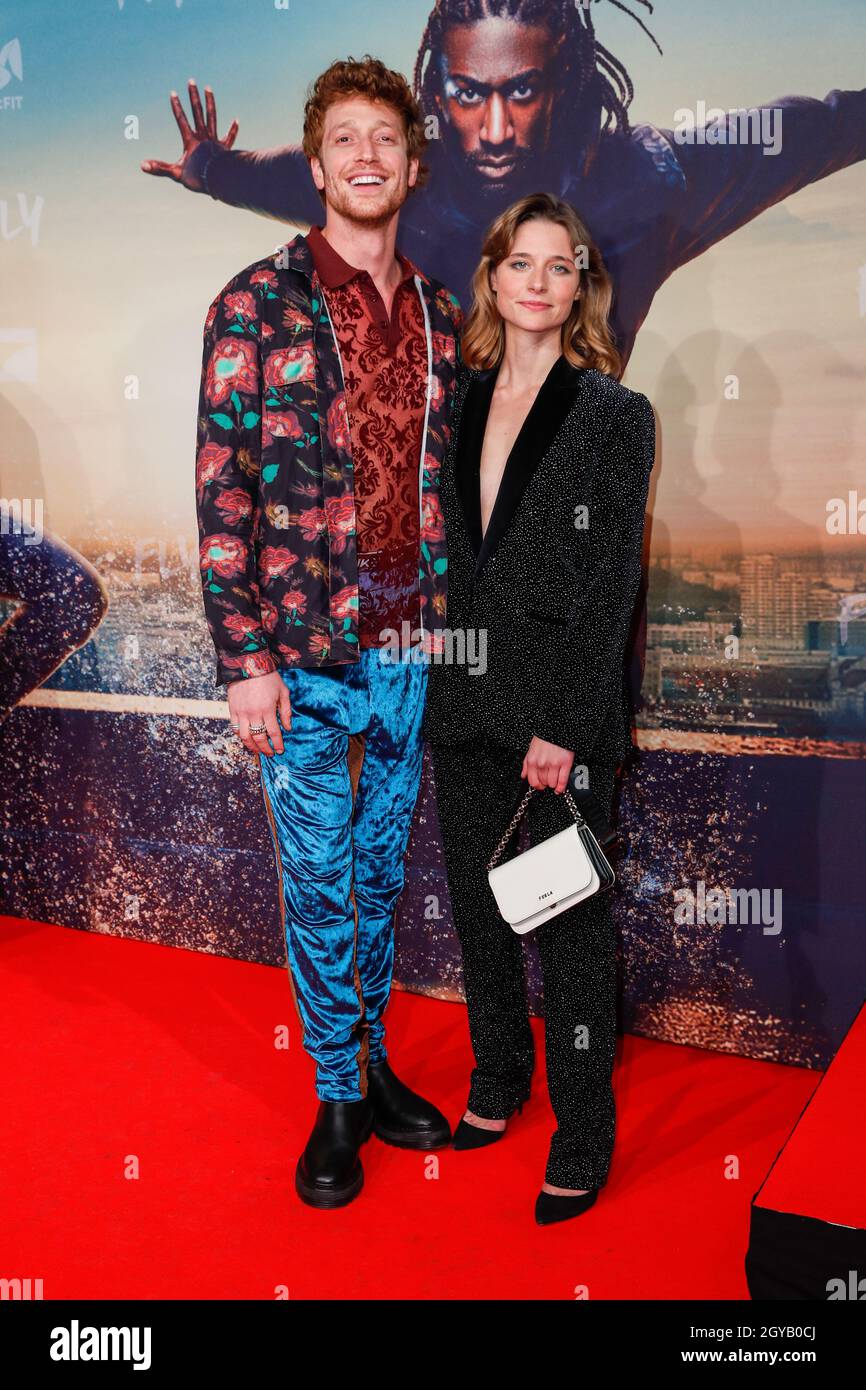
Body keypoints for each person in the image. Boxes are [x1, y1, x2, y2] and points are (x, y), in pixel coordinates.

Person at [194, 57, 464, 1209]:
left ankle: (373, 1065)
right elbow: (222, 494)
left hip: (410, 647)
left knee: (377, 868)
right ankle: (337, 1096)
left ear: (410, 164)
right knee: (314, 880)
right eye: (343, 140)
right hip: (297, 655)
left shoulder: (445, 312)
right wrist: (243, 662)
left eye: (384, 139)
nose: (365, 156)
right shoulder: (251, 302)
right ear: (315, 167)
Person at [422, 192, 656, 1226]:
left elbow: (611, 582)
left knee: (562, 927)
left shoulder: (613, 413)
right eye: (520, 261)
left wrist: (563, 726)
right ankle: (496, 1078)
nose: (536, 280)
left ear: (579, 286)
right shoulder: (454, 400)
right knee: (476, 915)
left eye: (558, 266)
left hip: (555, 719)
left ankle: (581, 1134)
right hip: (459, 695)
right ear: (492, 274)